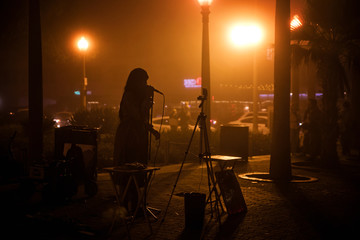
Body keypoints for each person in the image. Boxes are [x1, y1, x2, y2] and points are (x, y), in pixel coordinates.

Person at [113, 68, 160, 214]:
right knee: (129, 169)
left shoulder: (138, 97)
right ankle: (127, 205)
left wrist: (152, 131)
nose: (146, 84)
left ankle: (137, 204)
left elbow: (143, 119)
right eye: (143, 81)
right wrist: (146, 102)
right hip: (129, 137)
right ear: (136, 81)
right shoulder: (129, 96)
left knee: (139, 169)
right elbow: (136, 116)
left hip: (139, 136)